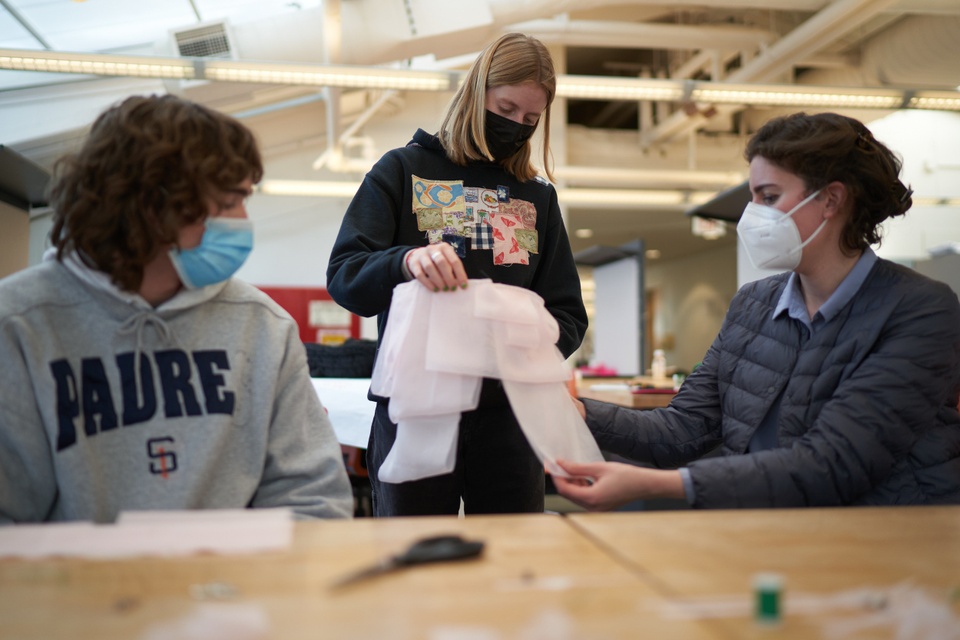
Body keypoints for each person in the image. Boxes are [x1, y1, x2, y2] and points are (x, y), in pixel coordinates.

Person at [554, 111, 960, 510]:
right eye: (753, 198)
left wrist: (659, 485)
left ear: (831, 200)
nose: (752, 216)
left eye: (769, 197)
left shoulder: (919, 310)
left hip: (889, 543)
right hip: (771, 527)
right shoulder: (754, 304)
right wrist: (581, 413)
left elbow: (834, 464)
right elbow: (682, 430)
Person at [0, 94, 353, 523]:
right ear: (150, 205)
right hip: (72, 587)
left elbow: (314, 499)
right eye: (228, 203)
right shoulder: (18, 324)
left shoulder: (262, 325)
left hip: (232, 586)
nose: (243, 219)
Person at [326, 33, 588, 516]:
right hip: (416, 411)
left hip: (509, 420)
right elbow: (346, 277)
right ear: (476, 92)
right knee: (413, 562)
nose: (515, 126)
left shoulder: (536, 197)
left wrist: (521, 345)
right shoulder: (403, 171)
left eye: (530, 120)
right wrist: (404, 261)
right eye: (506, 108)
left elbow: (567, 315)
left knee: (514, 564)